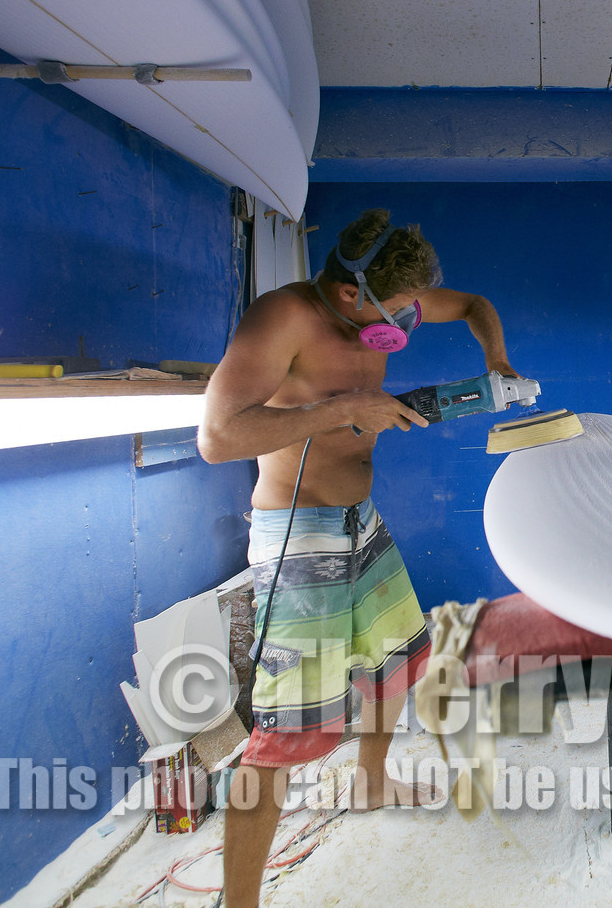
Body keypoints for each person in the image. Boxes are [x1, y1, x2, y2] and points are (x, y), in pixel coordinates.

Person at [198, 208, 518, 908]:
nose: (407, 324)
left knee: (402, 657)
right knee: (286, 734)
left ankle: (371, 783)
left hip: (358, 520)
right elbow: (218, 437)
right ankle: (240, 903)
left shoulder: (383, 299)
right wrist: (343, 412)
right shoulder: (280, 320)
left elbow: (473, 305)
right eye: (399, 311)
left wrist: (494, 358)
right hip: (298, 536)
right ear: (351, 294)